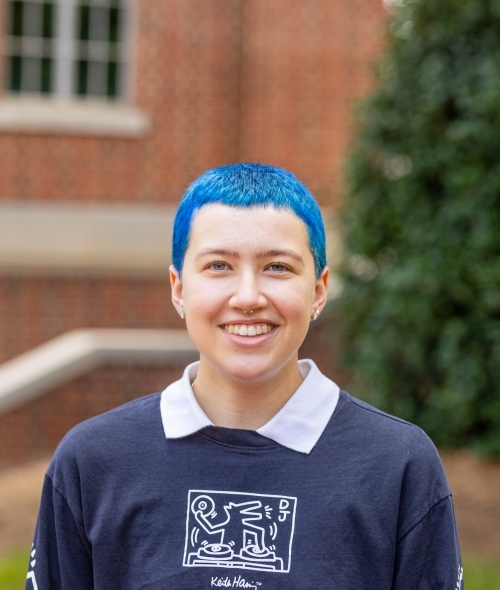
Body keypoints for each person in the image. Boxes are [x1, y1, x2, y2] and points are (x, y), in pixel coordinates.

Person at [27, 163, 464, 590]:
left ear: (318, 291)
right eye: (219, 266)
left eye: (278, 267)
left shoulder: (397, 464)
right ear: (179, 289)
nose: (248, 297)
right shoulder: (92, 461)